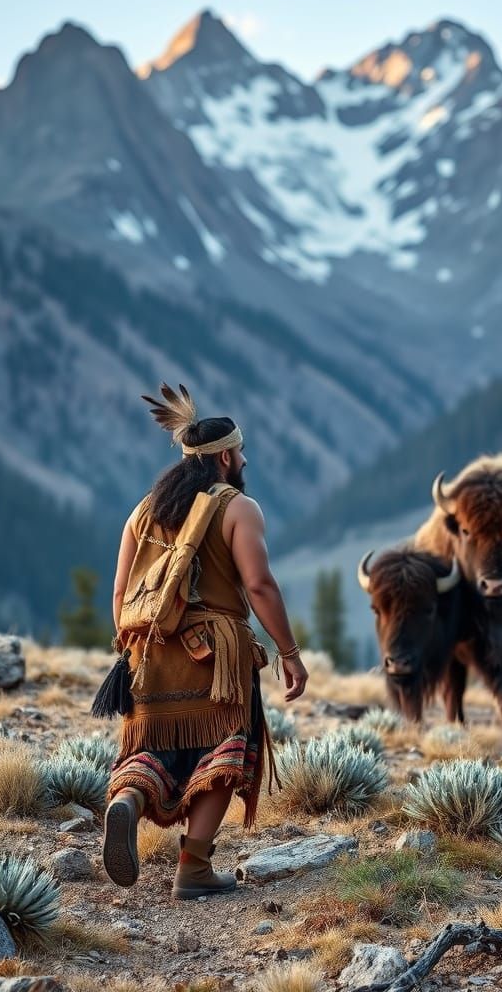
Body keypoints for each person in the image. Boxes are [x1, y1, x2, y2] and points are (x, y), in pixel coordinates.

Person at [103, 384, 308, 899]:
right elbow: (259, 586)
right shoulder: (238, 509)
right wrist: (289, 652)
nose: (244, 459)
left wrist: (132, 653)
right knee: (223, 750)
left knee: (155, 746)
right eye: (239, 452)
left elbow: (121, 590)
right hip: (216, 658)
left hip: (147, 652)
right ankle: (193, 868)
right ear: (222, 458)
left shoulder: (143, 511)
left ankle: (126, 800)